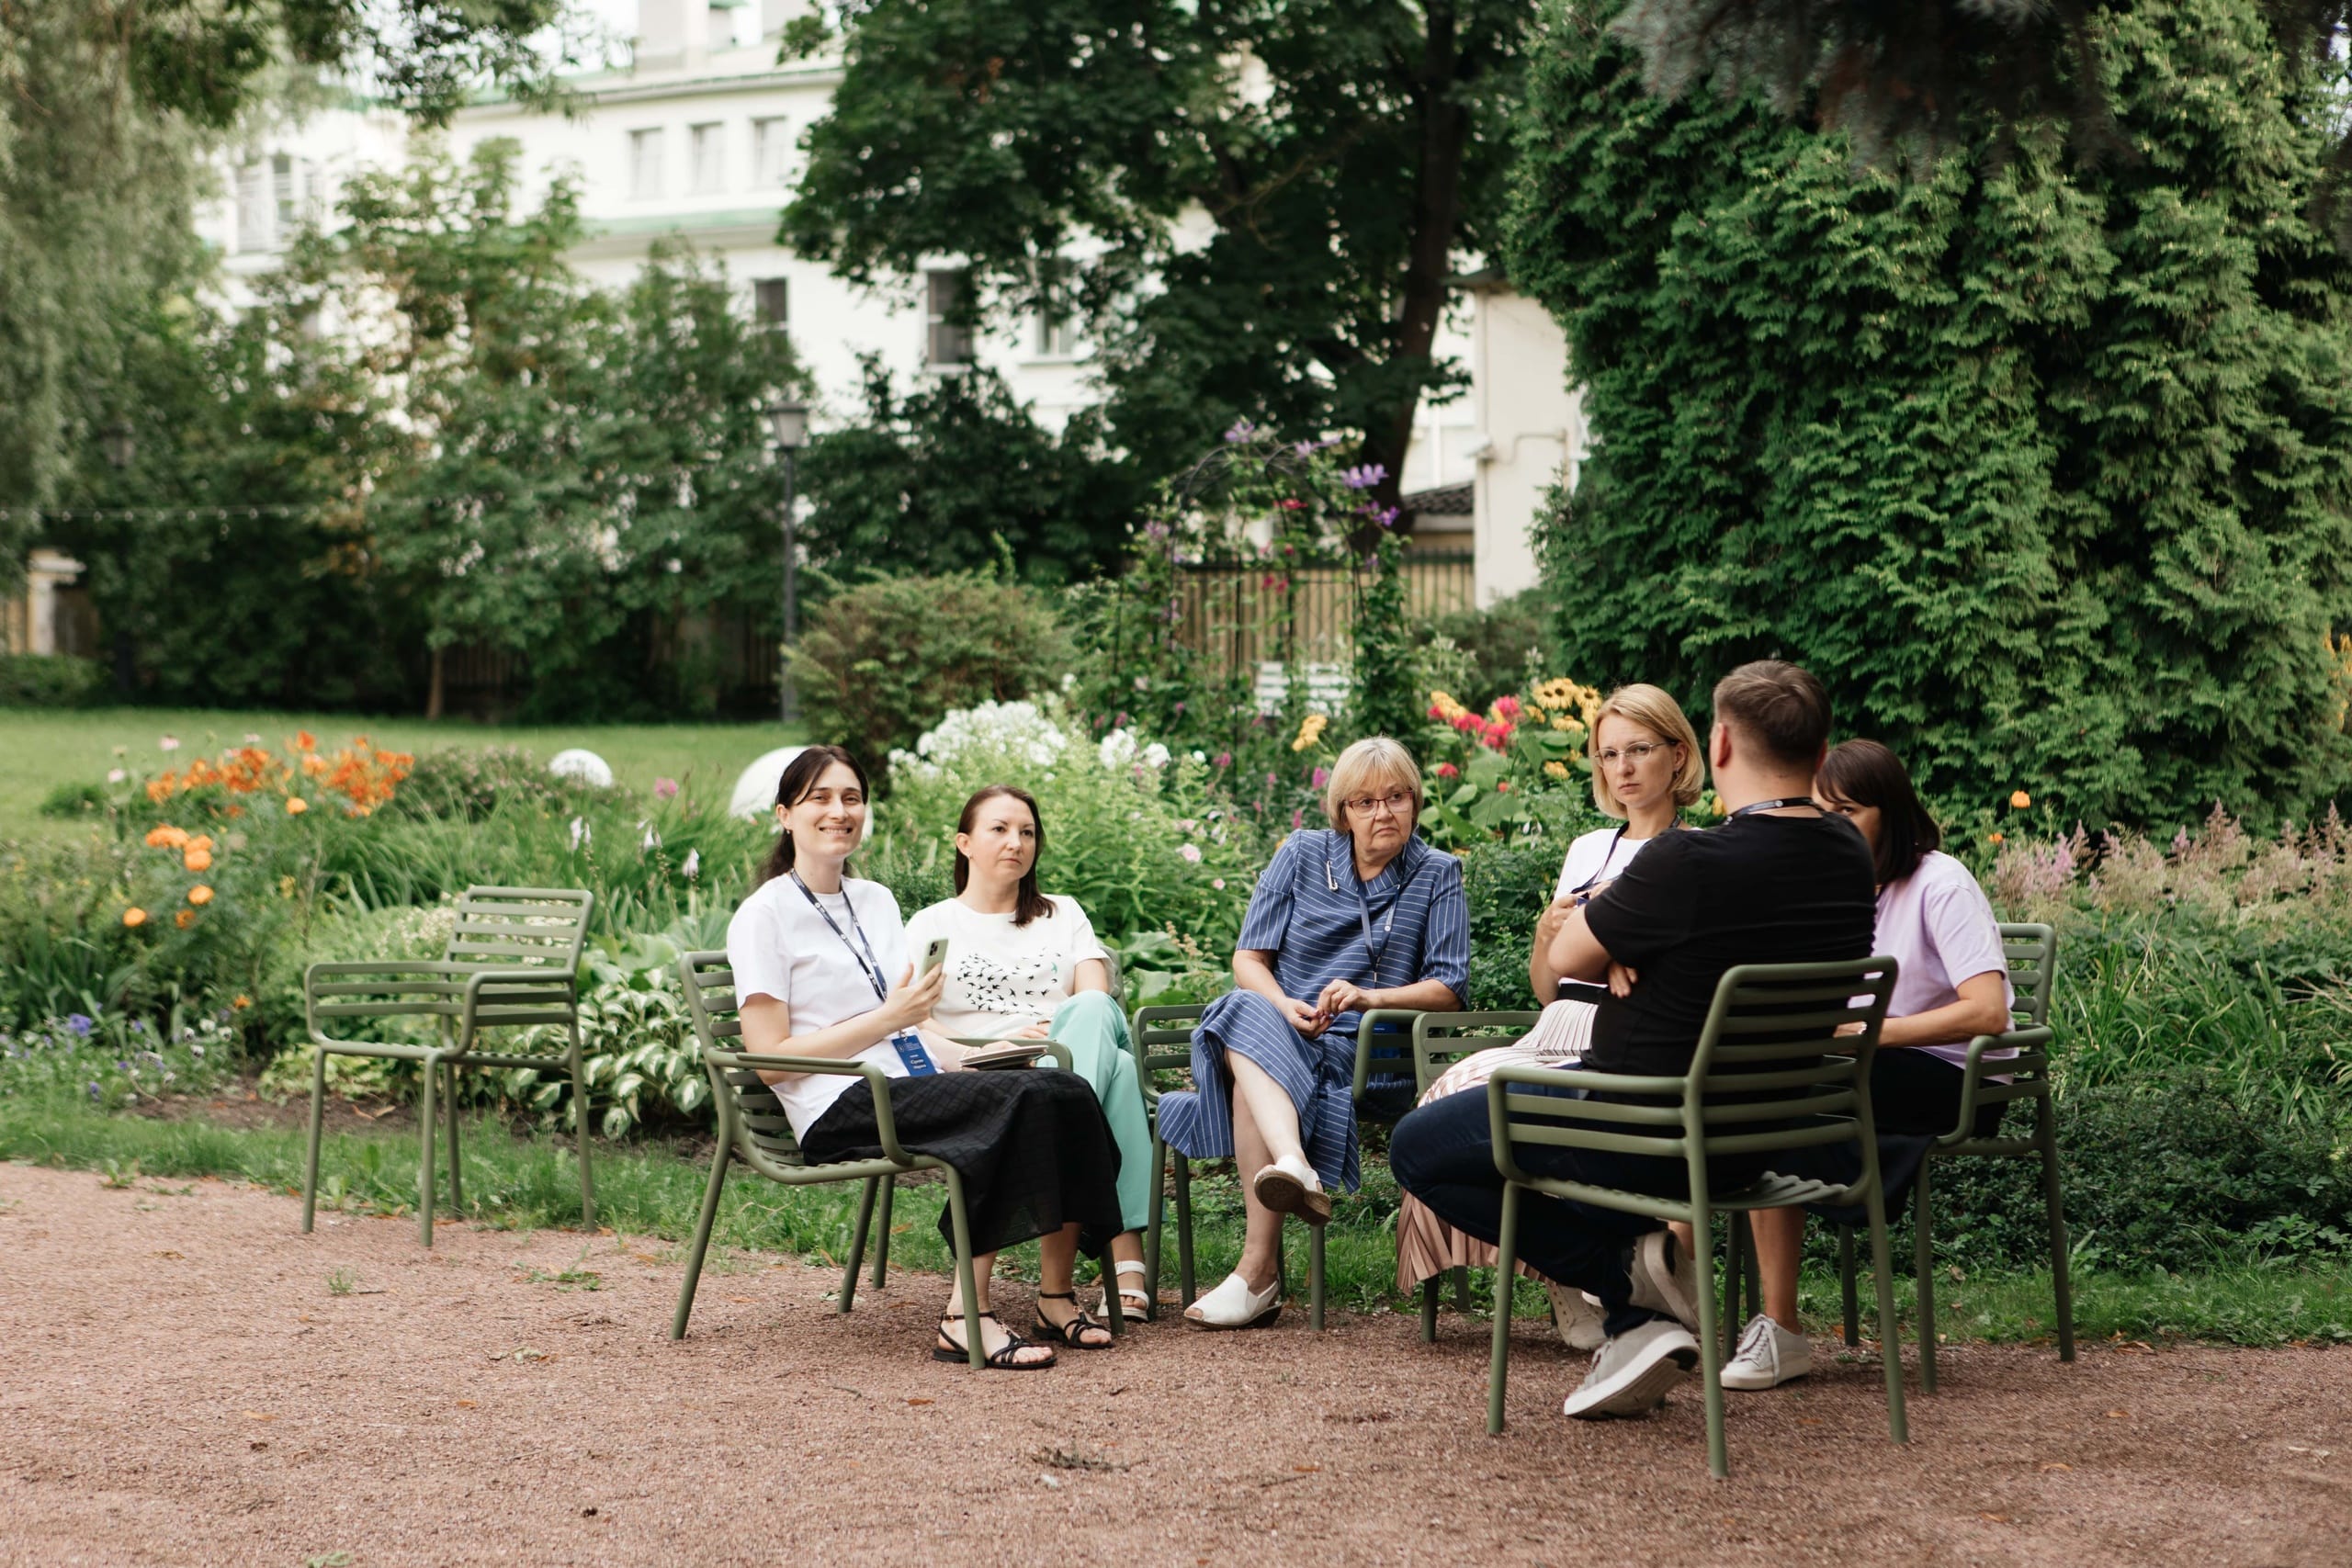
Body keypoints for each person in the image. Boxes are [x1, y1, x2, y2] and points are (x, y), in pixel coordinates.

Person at [1389, 660, 1876, 1418]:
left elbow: (1569, 956)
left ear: (1712, 748)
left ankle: (1624, 1284)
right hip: (1767, 1132)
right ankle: (1632, 1316)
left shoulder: (1685, 859)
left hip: (1634, 1123)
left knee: (1419, 1146)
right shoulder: (1848, 854)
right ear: (1820, 757)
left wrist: (1623, 940)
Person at [725, 746, 1127, 1370]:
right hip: (838, 1100)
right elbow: (772, 1061)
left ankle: (1052, 1294)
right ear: (785, 814)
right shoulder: (764, 915)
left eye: (851, 797)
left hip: (901, 1083)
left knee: (1057, 1086)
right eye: (820, 798)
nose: (839, 810)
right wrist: (886, 1021)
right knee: (1025, 1101)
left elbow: (907, 1029)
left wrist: (973, 1061)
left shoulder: (876, 901)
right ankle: (965, 1317)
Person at [1395, 682, 1706, 1350]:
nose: (1621, 768)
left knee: (1505, 1113)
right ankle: (1571, 1278)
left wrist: (1619, 951)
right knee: (1448, 1096)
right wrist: (1547, 934)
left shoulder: (1698, 851)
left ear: (1678, 755)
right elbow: (1550, 986)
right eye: (1608, 754)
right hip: (1557, 1024)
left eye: (1638, 750)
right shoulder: (1588, 848)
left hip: (1621, 1034)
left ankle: (1616, 1276)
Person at [1720, 738, 2015, 1391]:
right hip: (1864, 1066)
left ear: (1893, 811)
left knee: (1779, 1109)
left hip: (1956, 1073)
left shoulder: (1942, 882)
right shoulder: (1838, 889)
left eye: (1847, 811)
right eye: (1822, 813)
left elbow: (1988, 1011)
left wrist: (1877, 1033)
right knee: (1755, 1097)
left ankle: (1779, 1326)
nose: (1834, 827)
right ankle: (1768, 1325)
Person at [1158, 736, 1470, 1329]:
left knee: (1249, 1065)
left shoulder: (1437, 872)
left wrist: (1368, 994)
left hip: (1372, 1053)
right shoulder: (1300, 854)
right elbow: (1249, 958)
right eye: (1366, 801)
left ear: (1415, 801)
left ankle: (1259, 1275)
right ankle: (1293, 1165)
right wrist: (1285, 1004)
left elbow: (1449, 986)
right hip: (1287, 1034)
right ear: (1342, 811)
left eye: (1397, 797)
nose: (1383, 812)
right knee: (1245, 1004)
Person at [905, 784, 1157, 1320]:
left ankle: (1064, 1248)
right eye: (999, 829)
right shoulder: (932, 924)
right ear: (964, 843)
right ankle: (1108, 1261)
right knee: (1121, 1068)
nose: (1015, 842)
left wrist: (1045, 1040)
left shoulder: (1063, 914)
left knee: (1089, 1016)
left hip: (1061, 1053)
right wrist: (987, 1048)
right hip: (983, 1070)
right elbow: (912, 1020)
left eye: (1026, 832)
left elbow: (1093, 996)